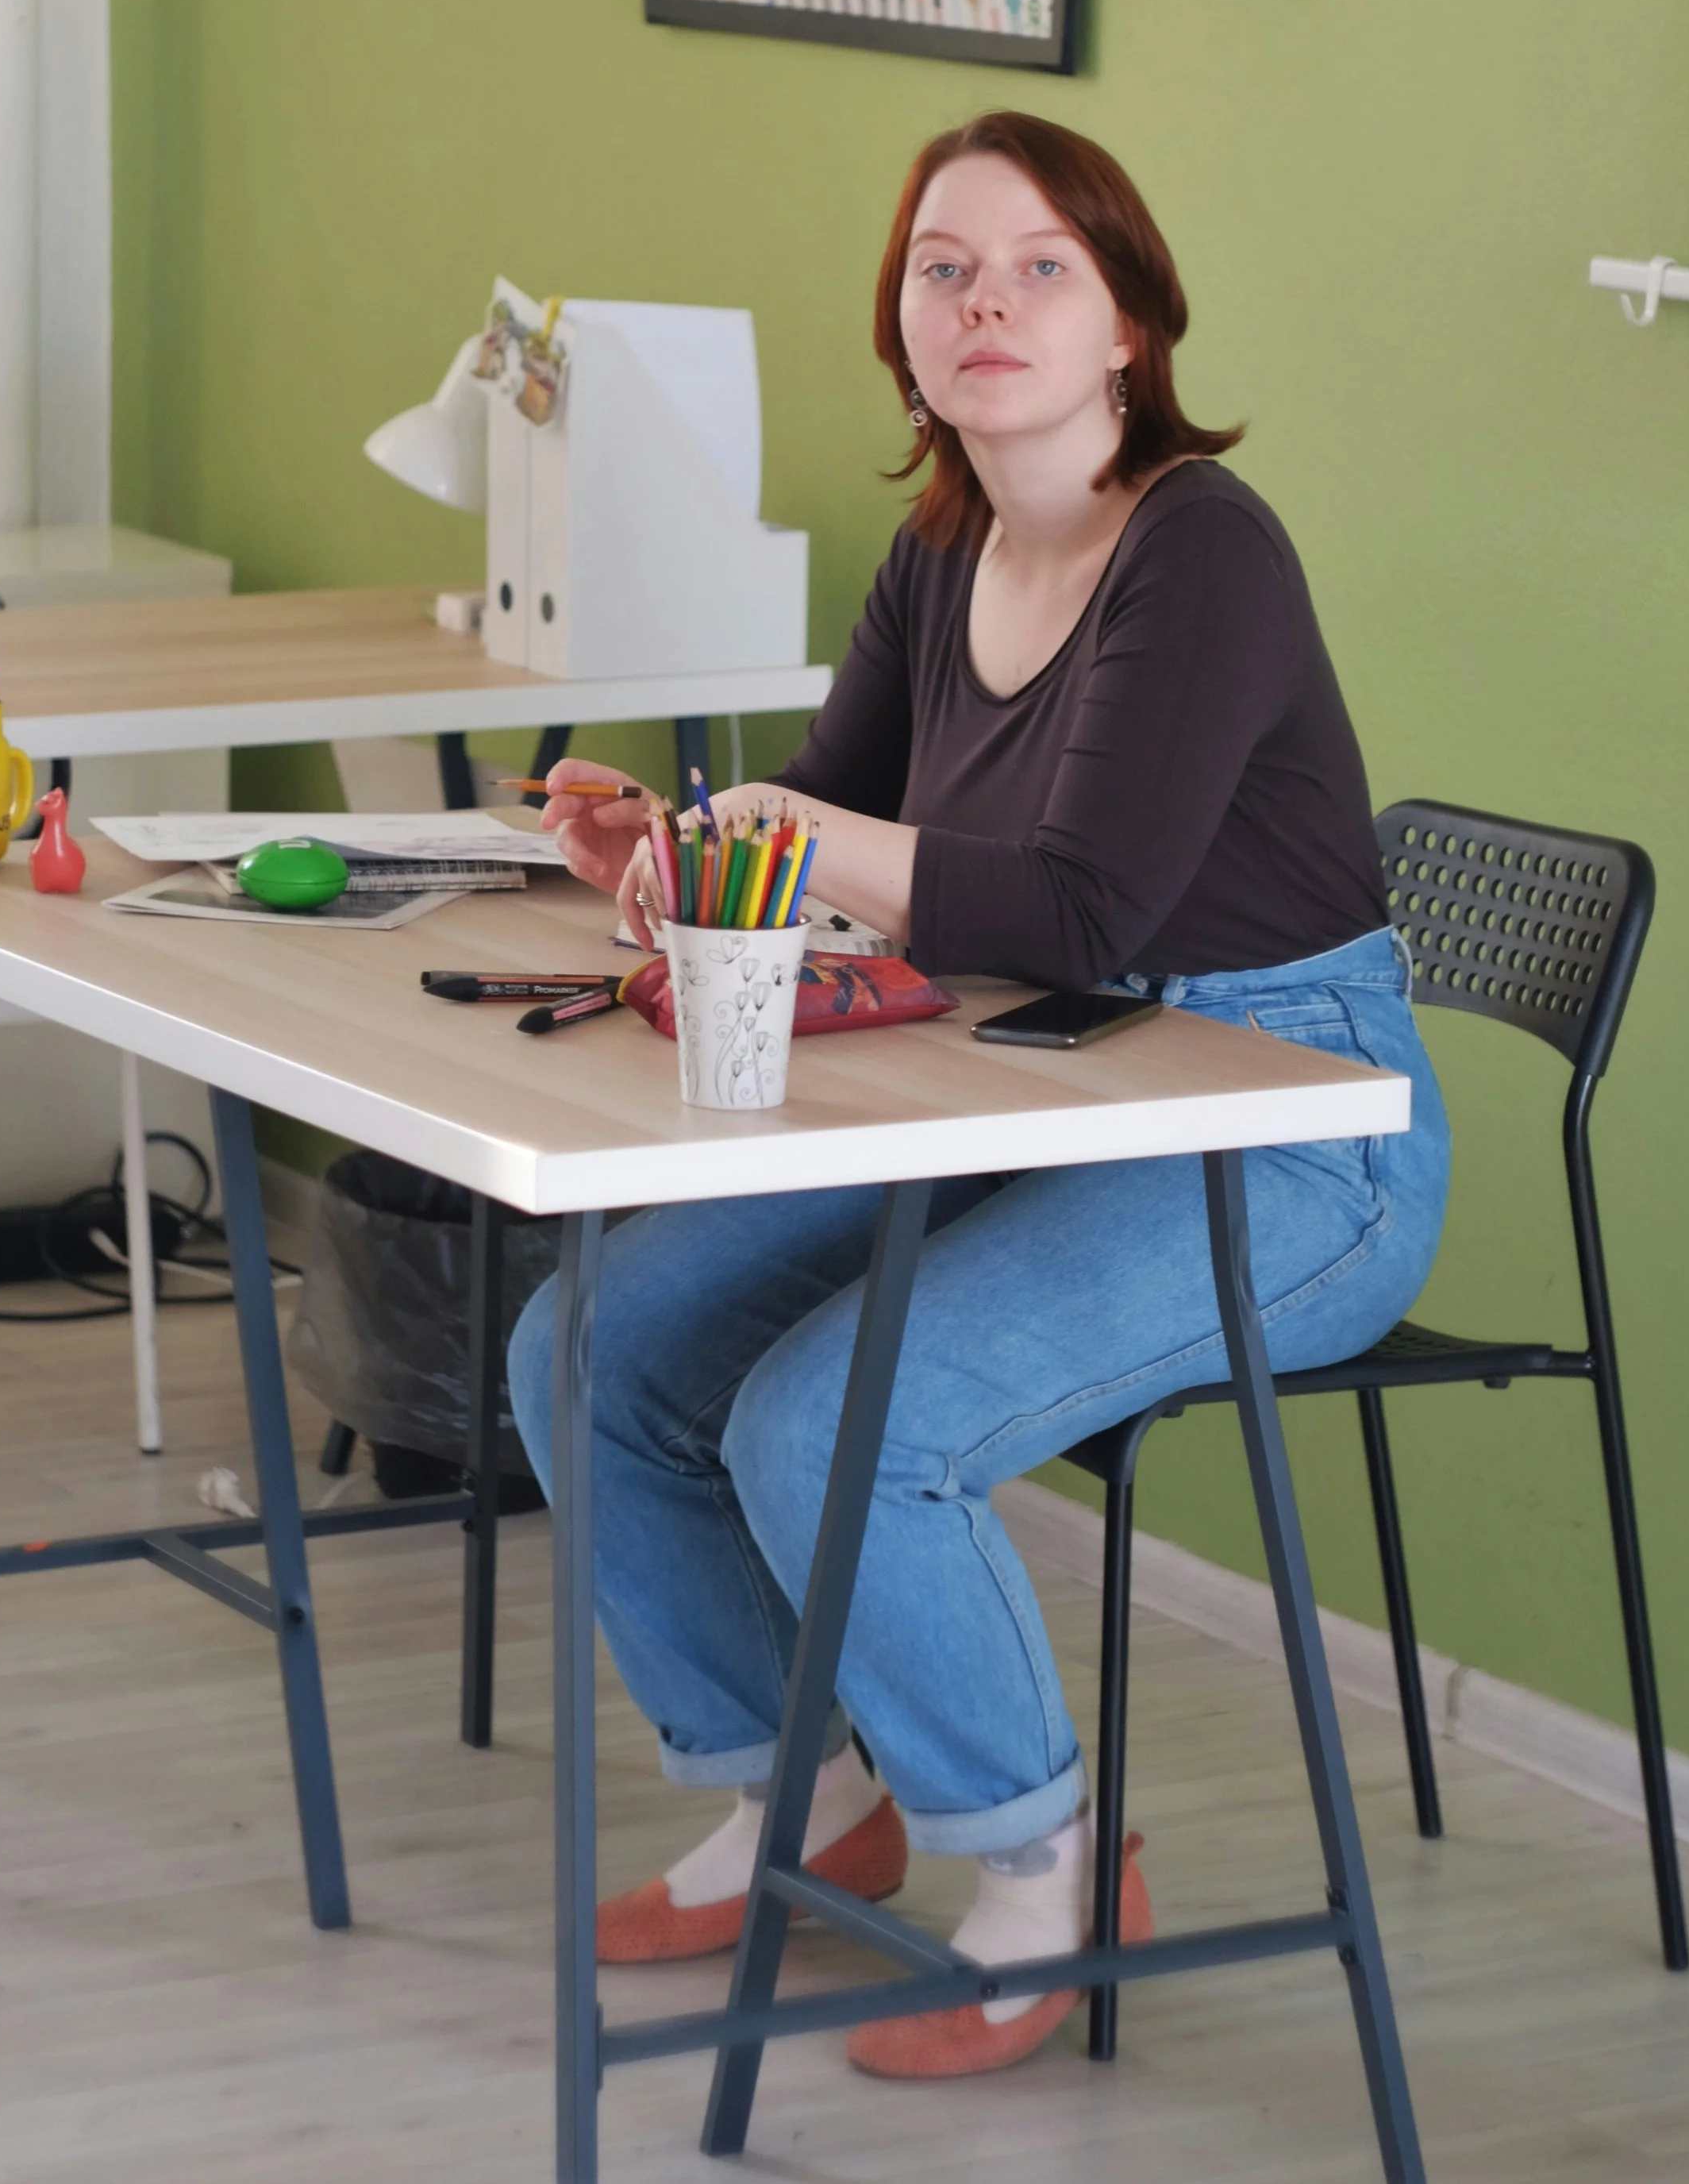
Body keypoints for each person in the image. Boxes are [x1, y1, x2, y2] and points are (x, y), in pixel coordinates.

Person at [510, 109, 1449, 2082]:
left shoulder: (1198, 548)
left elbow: (1083, 900)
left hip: (1287, 1125)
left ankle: (1035, 1865)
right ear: (904, 329)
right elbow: (832, 831)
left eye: (1038, 267)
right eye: (945, 267)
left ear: (1127, 325)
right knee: (585, 1345)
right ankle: (797, 1793)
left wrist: (786, 829)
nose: (986, 301)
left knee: (836, 1422)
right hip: (1026, 1082)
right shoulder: (940, 551)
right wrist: (672, 857)